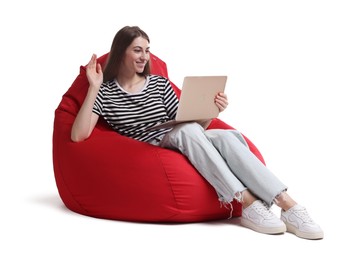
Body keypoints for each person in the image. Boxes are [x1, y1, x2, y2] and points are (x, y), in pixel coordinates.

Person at [71, 25, 324, 240]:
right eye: (137, 50)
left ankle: (287, 204)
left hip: (177, 135)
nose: (144, 57)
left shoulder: (158, 84)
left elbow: (191, 126)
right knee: (187, 131)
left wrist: (211, 112)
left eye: (147, 50)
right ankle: (246, 201)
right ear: (120, 52)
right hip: (150, 146)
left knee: (225, 136)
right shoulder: (106, 92)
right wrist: (93, 87)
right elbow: (78, 136)